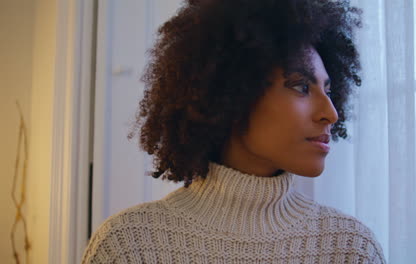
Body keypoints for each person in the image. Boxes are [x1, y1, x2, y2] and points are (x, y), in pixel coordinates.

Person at [82, 0, 386, 263]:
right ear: (231, 92)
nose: (330, 113)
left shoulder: (350, 249)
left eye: (329, 90)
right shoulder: (129, 247)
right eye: (300, 86)